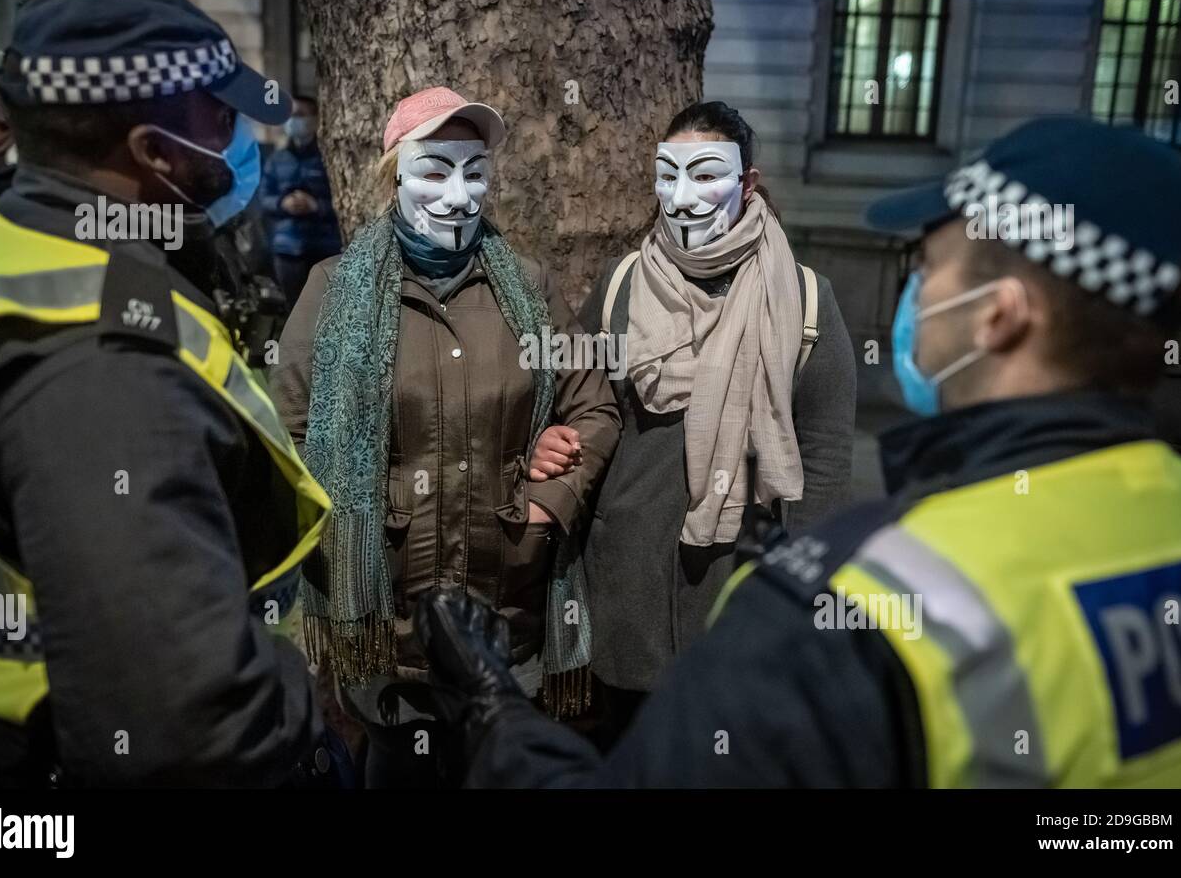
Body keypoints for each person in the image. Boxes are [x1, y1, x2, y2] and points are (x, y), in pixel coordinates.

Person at [414, 116, 1181, 787]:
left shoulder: (853, 605)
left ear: (1000, 316)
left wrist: (491, 708)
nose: (915, 297)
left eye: (930, 267)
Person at [0, 0, 342, 787]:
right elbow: (182, 726)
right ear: (156, 153)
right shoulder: (98, 358)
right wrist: (299, 702)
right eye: (220, 118)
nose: (242, 133)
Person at [271, 86, 621, 787]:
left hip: (507, 612)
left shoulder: (529, 288)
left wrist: (550, 497)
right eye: (434, 170)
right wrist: (352, 534)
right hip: (386, 621)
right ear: (392, 175)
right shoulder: (331, 291)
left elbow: (596, 409)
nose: (458, 196)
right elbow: (288, 439)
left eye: (474, 170)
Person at [576, 101, 855, 742]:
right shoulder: (618, 286)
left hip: (743, 575)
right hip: (630, 576)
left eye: (706, 175)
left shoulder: (806, 299)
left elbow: (827, 449)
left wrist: (803, 583)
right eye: (667, 175)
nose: (682, 197)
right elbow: (588, 408)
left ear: (747, 182)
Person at [260, 94, 341, 306]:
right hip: (287, 249)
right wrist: (283, 203)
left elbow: (344, 201)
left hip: (324, 248)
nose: (294, 120)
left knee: (322, 309)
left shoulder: (329, 157)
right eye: (291, 115)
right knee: (292, 309)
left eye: (300, 115)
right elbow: (264, 198)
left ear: (315, 119)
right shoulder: (278, 158)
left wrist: (315, 206)